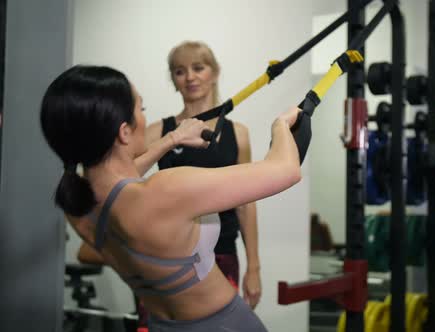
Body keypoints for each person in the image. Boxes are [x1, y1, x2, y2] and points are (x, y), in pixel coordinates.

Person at [41, 65, 302, 331]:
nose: (144, 117)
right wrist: (281, 125)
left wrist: (172, 139)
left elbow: (117, 177)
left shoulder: (77, 205)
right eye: (140, 110)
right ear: (124, 132)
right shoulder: (165, 191)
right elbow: (286, 170)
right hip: (223, 324)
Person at [144, 41, 261, 308]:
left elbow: (245, 203)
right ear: (174, 81)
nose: (190, 77)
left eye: (198, 68)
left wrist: (254, 268)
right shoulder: (156, 132)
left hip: (221, 255)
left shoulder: (238, 134)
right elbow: (122, 177)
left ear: (215, 72)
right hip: (169, 257)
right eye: (180, 71)